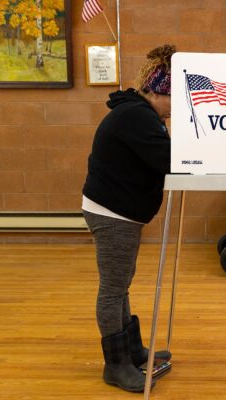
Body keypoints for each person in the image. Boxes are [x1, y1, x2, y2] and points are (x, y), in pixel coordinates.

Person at [82, 44, 175, 392]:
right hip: (112, 212)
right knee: (113, 289)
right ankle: (115, 365)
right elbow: (170, 161)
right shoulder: (138, 117)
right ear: (156, 90)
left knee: (120, 284)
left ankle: (132, 351)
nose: (175, 108)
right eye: (173, 99)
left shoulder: (140, 114)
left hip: (117, 209)